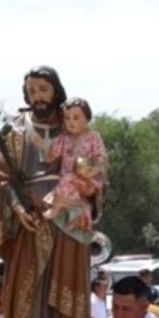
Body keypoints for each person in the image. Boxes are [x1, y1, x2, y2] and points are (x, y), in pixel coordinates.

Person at [0, 65, 91, 318]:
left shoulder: (73, 125)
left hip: (67, 225)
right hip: (28, 225)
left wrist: (77, 193)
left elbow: (95, 168)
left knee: (62, 295)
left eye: (43, 89)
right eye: (32, 91)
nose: (38, 97)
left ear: (56, 89)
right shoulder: (14, 130)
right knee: (30, 295)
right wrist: (16, 207)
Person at [41, 97, 107, 234]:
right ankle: (80, 216)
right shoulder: (64, 138)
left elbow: (101, 157)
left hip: (88, 181)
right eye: (67, 118)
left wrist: (93, 169)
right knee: (66, 185)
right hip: (69, 184)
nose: (71, 122)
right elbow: (52, 154)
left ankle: (56, 209)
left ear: (86, 118)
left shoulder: (93, 136)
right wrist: (42, 146)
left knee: (66, 180)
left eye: (76, 118)